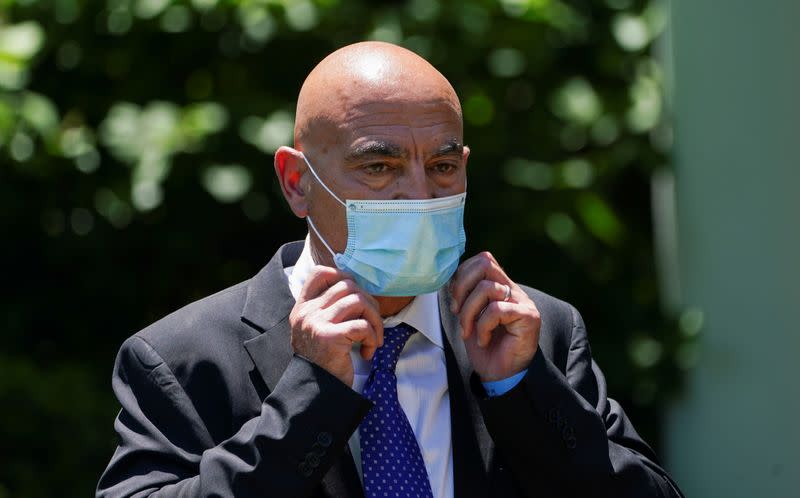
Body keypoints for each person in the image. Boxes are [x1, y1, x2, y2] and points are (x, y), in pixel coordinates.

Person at [96, 41, 683, 498]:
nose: (419, 195)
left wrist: (521, 387)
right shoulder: (183, 357)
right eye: (379, 166)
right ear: (297, 183)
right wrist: (309, 398)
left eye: (444, 166)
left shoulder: (535, 333)